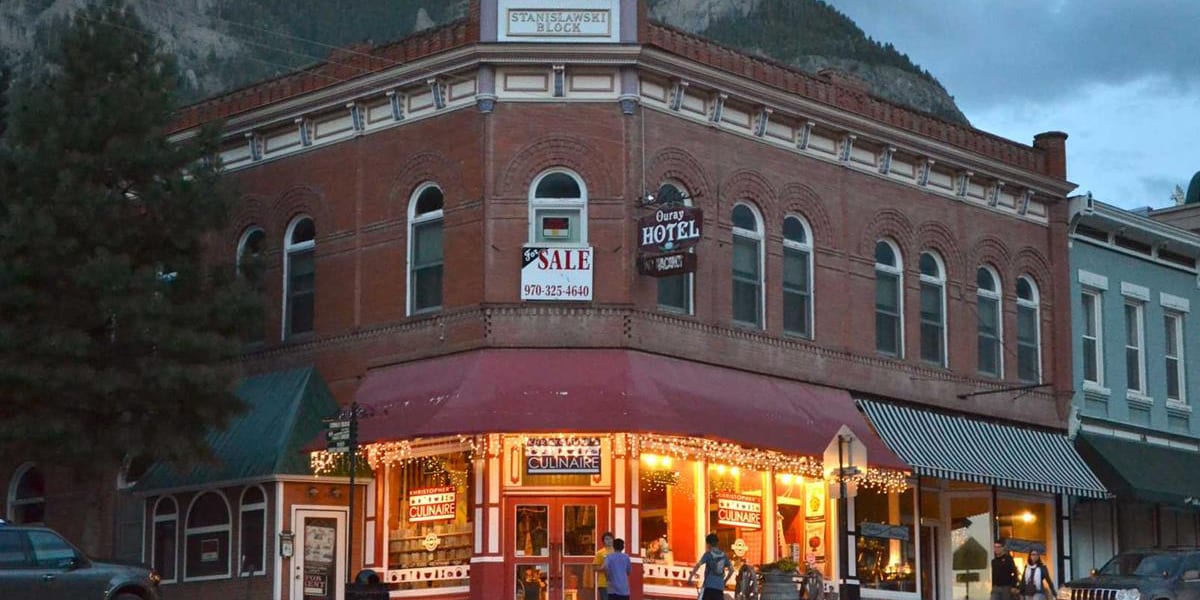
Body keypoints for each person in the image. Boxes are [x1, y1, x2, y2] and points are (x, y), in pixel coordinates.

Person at [688, 533, 733, 600]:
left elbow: (698, 565)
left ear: (708, 544)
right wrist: (725, 581)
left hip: (708, 586)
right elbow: (731, 570)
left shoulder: (708, 554)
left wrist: (690, 578)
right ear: (718, 543)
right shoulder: (724, 556)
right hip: (719, 587)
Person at [594, 531, 614, 599]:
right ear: (603, 541)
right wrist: (603, 567)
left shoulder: (617, 552)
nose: (609, 541)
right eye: (606, 539)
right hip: (603, 583)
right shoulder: (600, 553)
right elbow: (594, 568)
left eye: (610, 539)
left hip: (616, 583)